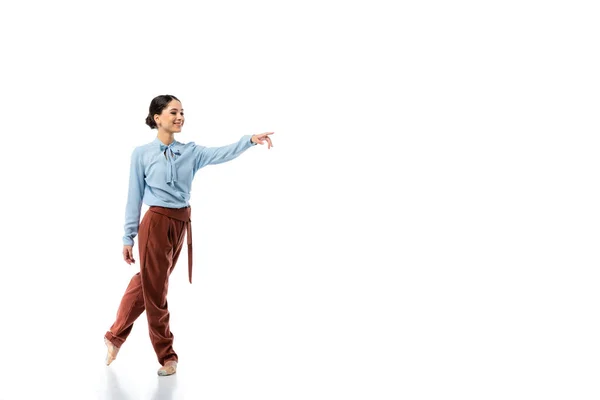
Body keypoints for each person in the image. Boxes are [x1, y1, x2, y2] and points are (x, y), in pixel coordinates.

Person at [103, 94, 274, 376]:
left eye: (182, 112)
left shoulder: (190, 152)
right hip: (156, 222)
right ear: (157, 117)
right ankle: (167, 356)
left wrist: (249, 141)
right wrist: (127, 237)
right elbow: (133, 196)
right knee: (156, 291)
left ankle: (114, 336)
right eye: (173, 112)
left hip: (181, 223)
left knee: (147, 282)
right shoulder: (142, 154)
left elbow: (222, 153)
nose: (180, 117)